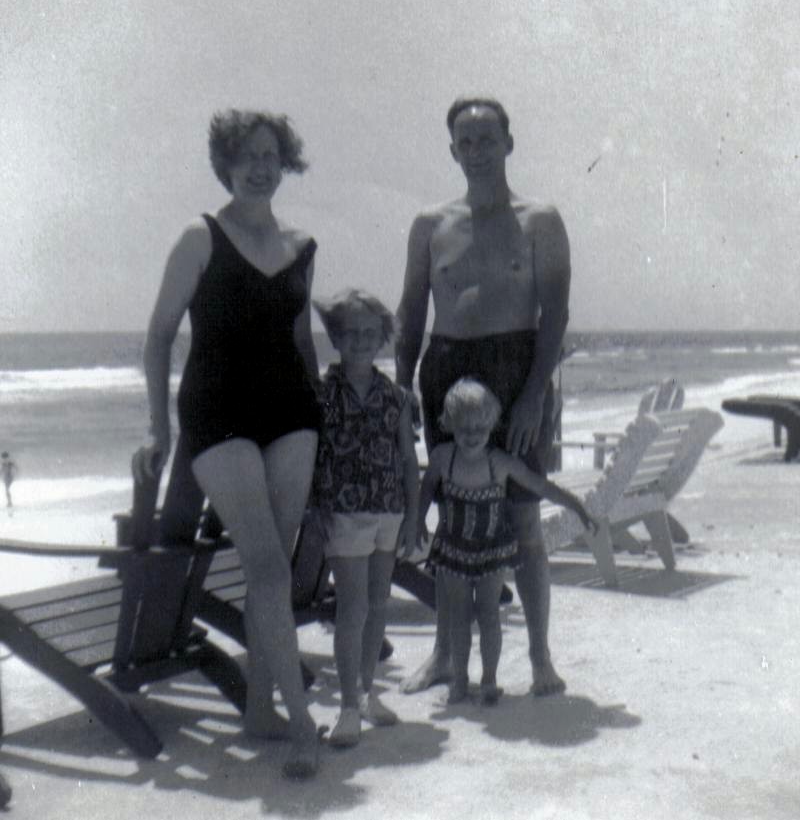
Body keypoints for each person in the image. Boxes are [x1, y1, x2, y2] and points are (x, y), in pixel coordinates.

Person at [132, 109, 323, 780]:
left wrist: (324, 415)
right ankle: (303, 726)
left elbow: (301, 341)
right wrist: (159, 427)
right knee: (266, 566)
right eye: (246, 156)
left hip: (291, 411)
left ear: (284, 162)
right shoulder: (200, 236)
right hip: (217, 413)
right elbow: (158, 337)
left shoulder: (302, 245)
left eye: (271, 155)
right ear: (225, 164)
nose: (259, 167)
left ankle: (261, 711)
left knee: (276, 570)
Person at [396, 96, 572, 696]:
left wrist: (533, 395)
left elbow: (555, 315)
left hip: (516, 367)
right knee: (452, 524)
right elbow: (411, 312)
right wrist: (402, 387)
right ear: (452, 150)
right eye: (465, 142)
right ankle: (445, 656)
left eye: (487, 139)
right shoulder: (430, 224)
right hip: (446, 370)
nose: (476, 151)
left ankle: (541, 659)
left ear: (508, 144)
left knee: (523, 518)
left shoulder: (540, 220)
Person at [402, 378, 596, 705]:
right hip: (453, 550)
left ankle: (489, 680)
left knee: (489, 615)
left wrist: (577, 506)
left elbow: (540, 486)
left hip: (491, 551)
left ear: (492, 425)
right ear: (449, 424)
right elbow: (427, 488)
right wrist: (418, 519)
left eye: (480, 427)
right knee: (459, 618)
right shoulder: (443, 458)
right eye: (464, 428)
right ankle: (459, 681)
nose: (472, 435)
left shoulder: (499, 462)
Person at [310, 289, 420, 748]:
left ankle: (367, 693)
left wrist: (414, 517)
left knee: (378, 606)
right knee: (352, 609)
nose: (360, 340)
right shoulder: (322, 393)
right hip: (343, 513)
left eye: (370, 333)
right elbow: (310, 455)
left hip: (388, 510)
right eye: (351, 332)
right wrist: (311, 506)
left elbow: (408, 460)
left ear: (383, 338)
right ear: (335, 337)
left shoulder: (396, 397)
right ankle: (348, 708)